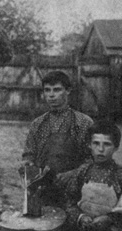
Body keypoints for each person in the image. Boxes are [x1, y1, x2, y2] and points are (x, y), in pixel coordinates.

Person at [22, 70, 94, 207]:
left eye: (57, 90)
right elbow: (28, 155)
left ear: (68, 91)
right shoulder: (38, 124)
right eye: (47, 90)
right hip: (42, 191)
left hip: (74, 191)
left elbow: (92, 160)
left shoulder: (83, 123)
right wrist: (27, 165)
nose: (51, 95)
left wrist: (73, 174)